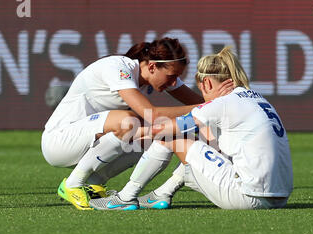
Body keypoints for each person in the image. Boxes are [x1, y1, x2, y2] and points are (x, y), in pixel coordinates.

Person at [90, 46, 293, 210]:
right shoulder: (257, 98)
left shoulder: (222, 104)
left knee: (171, 138)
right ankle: (162, 194)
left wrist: (131, 131)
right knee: (204, 140)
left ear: (206, 83)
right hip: (280, 197)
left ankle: (125, 198)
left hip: (247, 197)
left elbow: (167, 130)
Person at [41, 37, 234, 210]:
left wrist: (225, 101)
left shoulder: (158, 73)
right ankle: (72, 184)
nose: (174, 82)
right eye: (172, 77)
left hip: (86, 141)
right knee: (131, 121)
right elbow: (154, 114)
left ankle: (93, 184)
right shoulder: (118, 67)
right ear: (151, 67)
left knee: (150, 136)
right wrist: (211, 106)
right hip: (59, 141)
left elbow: (200, 104)